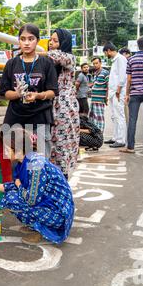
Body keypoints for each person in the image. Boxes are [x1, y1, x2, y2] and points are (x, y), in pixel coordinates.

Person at [0, 128, 75, 245]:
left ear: (18, 149)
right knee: (10, 196)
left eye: (7, 149)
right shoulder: (23, 162)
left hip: (59, 213)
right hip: (49, 205)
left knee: (11, 199)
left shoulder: (35, 164)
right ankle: (36, 226)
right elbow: (11, 186)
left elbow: (31, 200)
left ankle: (42, 230)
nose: (4, 152)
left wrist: (19, 186)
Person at [0, 23, 59, 158]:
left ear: (37, 40)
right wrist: (17, 94)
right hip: (16, 119)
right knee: (17, 163)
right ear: (19, 40)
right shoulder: (11, 64)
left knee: (40, 163)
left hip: (40, 118)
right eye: (23, 39)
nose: (26, 43)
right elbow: (5, 92)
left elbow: (53, 91)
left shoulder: (46, 63)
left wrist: (38, 95)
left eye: (31, 39)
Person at [39, 28, 80, 180]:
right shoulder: (48, 62)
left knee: (63, 144)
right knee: (51, 143)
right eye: (50, 40)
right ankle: (53, 177)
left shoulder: (69, 58)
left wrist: (30, 52)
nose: (51, 43)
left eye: (55, 41)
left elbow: (56, 56)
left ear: (64, 42)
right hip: (50, 106)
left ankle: (62, 178)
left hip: (64, 108)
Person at [103, 42, 127, 148]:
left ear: (108, 50)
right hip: (113, 92)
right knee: (114, 116)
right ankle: (115, 137)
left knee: (119, 116)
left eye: (105, 53)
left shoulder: (121, 59)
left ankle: (121, 140)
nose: (105, 55)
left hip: (118, 92)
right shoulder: (115, 60)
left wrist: (118, 90)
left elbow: (122, 76)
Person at [88, 56, 110, 134]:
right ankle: (94, 133)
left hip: (100, 99)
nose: (95, 65)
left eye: (97, 63)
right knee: (93, 117)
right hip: (94, 99)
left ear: (100, 63)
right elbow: (94, 85)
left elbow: (108, 85)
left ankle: (100, 134)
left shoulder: (105, 72)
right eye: (94, 64)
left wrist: (106, 97)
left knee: (99, 117)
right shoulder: (95, 73)